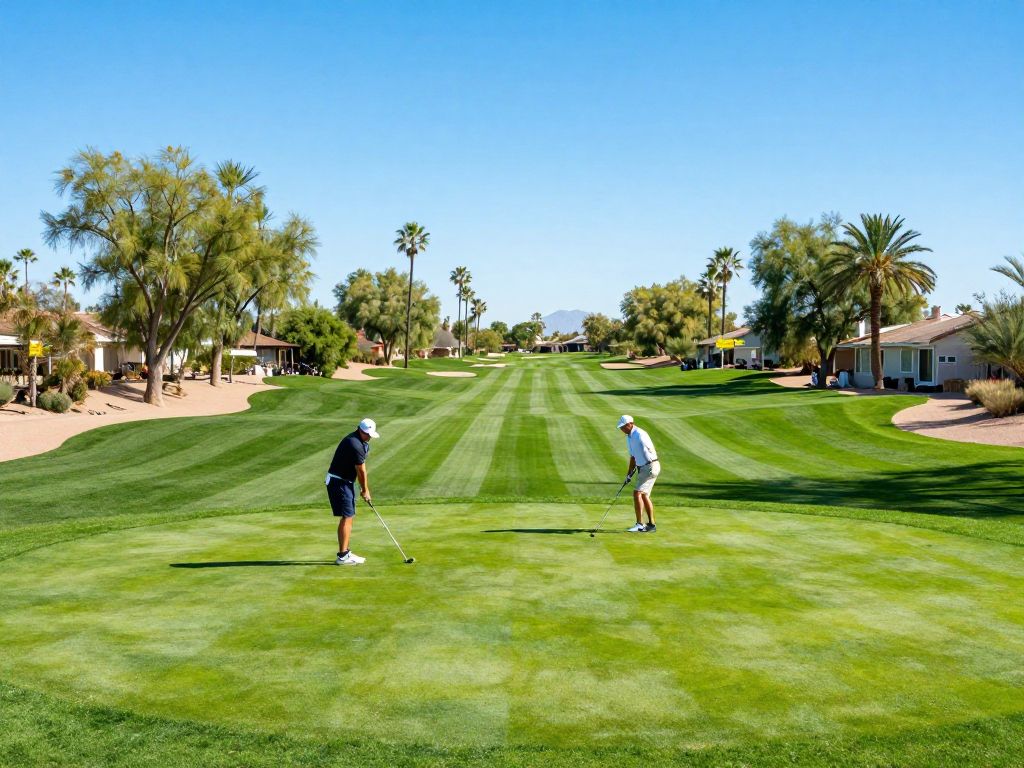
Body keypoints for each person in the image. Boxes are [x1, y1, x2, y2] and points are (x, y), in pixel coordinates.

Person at [326, 418, 380, 565]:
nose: (369, 437)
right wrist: (365, 490)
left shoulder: (360, 441)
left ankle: (346, 552)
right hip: (339, 482)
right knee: (347, 516)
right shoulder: (354, 444)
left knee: (349, 515)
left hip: (345, 481)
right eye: (367, 434)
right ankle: (342, 556)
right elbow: (361, 470)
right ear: (359, 430)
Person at [617, 414, 660, 532]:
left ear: (630, 424)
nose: (622, 429)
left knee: (637, 493)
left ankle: (640, 524)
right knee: (644, 495)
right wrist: (629, 474)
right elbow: (633, 457)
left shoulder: (640, 434)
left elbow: (649, 453)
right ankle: (651, 525)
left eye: (624, 426)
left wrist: (646, 464)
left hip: (650, 466)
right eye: (621, 427)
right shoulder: (629, 437)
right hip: (645, 467)